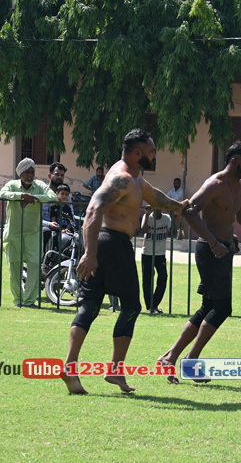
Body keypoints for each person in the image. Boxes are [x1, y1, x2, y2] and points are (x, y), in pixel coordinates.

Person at [62, 129, 189, 395]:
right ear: (137, 153)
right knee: (131, 305)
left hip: (104, 243)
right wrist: (89, 253)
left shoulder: (134, 177)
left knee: (91, 304)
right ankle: (115, 370)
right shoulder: (122, 178)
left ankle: (70, 367)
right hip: (113, 244)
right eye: (152, 151)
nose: (155, 156)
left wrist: (179, 206)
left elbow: (156, 197)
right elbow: (93, 209)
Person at [157, 142, 241, 382]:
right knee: (222, 308)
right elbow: (189, 211)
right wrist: (213, 243)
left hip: (224, 250)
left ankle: (170, 357)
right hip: (210, 251)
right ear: (234, 162)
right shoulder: (215, 184)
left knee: (209, 307)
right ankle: (190, 361)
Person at [0, 158, 58, 308]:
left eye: (32, 172)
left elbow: (53, 198)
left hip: (33, 233)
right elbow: (1, 194)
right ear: (20, 174)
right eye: (27, 172)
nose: (30, 175)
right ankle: (18, 300)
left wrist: (34, 198)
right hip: (14, 233)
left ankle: (30, 301)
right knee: (15, 267)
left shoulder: (40, 186)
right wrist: (21, 196)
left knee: (35, 266)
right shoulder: (12, 185)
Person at [140, 204, 172, 315]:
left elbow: (174, 232)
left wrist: (172, 216)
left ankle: (154, 304)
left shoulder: (166, 218)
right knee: (147, 279)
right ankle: (149, 306)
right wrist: (147, 214)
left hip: (160, 253)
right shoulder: (147, 217)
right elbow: (143, 230)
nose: (158, 209)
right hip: (147, 253)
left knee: (163, 277)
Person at [46, 184, 77, 255]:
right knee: (54, 236)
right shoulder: (53, 207)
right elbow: (54, 221)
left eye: (66, 194)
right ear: (57, 194)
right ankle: (51, 254)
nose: (64, 196)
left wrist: (66, 229)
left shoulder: (68, 208)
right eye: (62, 194)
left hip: (66, 229)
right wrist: (60, 229)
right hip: (56, 228)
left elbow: (70, 221)